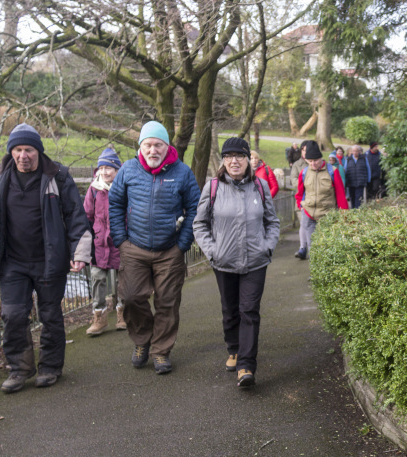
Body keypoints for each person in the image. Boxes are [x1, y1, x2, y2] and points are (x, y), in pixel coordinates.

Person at [0, 123, 92, 393]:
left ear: (38, 151)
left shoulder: (58, 177)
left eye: (28, 150)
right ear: (11, 152)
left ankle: (51, 367)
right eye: (17, 150)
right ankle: (19, 369)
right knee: (13, 315)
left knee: (50, 314)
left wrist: (80, 253)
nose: (23, 155)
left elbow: (76, 217)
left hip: (49, 260)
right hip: (12, 262)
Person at [108, 121, 201, 375]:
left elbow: (195, 207)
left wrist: (182, 243)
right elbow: (114, 204)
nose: (152, 150)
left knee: (167, 302)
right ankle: (142, 341)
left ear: (166, 146)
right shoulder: (128, 170)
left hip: (169, 250)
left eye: (158, 145)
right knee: (130, 298)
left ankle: (161, 351)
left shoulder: (182, 172)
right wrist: (120, 240)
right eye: (147, 145)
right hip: (134, 249)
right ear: (141, 146)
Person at [193, 137, 280, 388]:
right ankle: (233, 348)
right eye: (229, 156)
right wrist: (212, 251)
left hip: (256, 261)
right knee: (230, 310)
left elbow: (272, 223)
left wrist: (267, 246)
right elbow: (199, 224)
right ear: (223, 160)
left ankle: (246, 365)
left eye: (239, 156)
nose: (234, 161)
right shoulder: (213, 187)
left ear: (247, 160)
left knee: (249, 311)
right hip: (224, 261)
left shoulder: (260, 186)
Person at [84, 147, 125, 336]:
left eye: (108, 168)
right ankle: (99, 317)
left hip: (119, 241)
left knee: (120, 280)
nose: (104, 172)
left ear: (117, 170)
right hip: (99, 243)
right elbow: (87, 216)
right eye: (101, 168)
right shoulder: (93, 190)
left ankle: (122, 314)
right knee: (97, 279)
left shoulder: (125, 186)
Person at [294, 141, 348, 260]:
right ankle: (314, 273)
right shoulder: (304, 172)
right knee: (312, 246)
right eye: (310, 161)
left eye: (315, 161)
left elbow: (340, 195)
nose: (313, 164)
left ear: (321, 158)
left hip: (327, 214)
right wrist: (300, 205)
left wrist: (344, 214)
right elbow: (299, 192)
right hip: (309, 213)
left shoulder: (332, 171)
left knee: (327, 245)